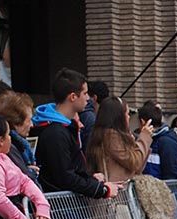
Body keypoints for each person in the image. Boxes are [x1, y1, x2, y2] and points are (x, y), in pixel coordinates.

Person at [33, 68, 118, 199]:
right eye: (85, 93)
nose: (88, 98)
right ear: (73, 97)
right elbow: (65, 177)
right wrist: (101, 190)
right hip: (62, 208)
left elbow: (72, 169)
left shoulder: (64, 128)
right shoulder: (56, 133)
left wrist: (89, 178)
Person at [0, 91, 40, 186]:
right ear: (16, 121)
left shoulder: (16, 145)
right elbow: (23, 179)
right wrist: (29, 172)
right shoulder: (9, 147)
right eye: (29, 120)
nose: (32, 125)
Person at [138, 101, 177, 180]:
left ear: (142, 122)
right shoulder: (153, 138)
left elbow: (170, 173)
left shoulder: (166, 141)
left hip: (162, 189)